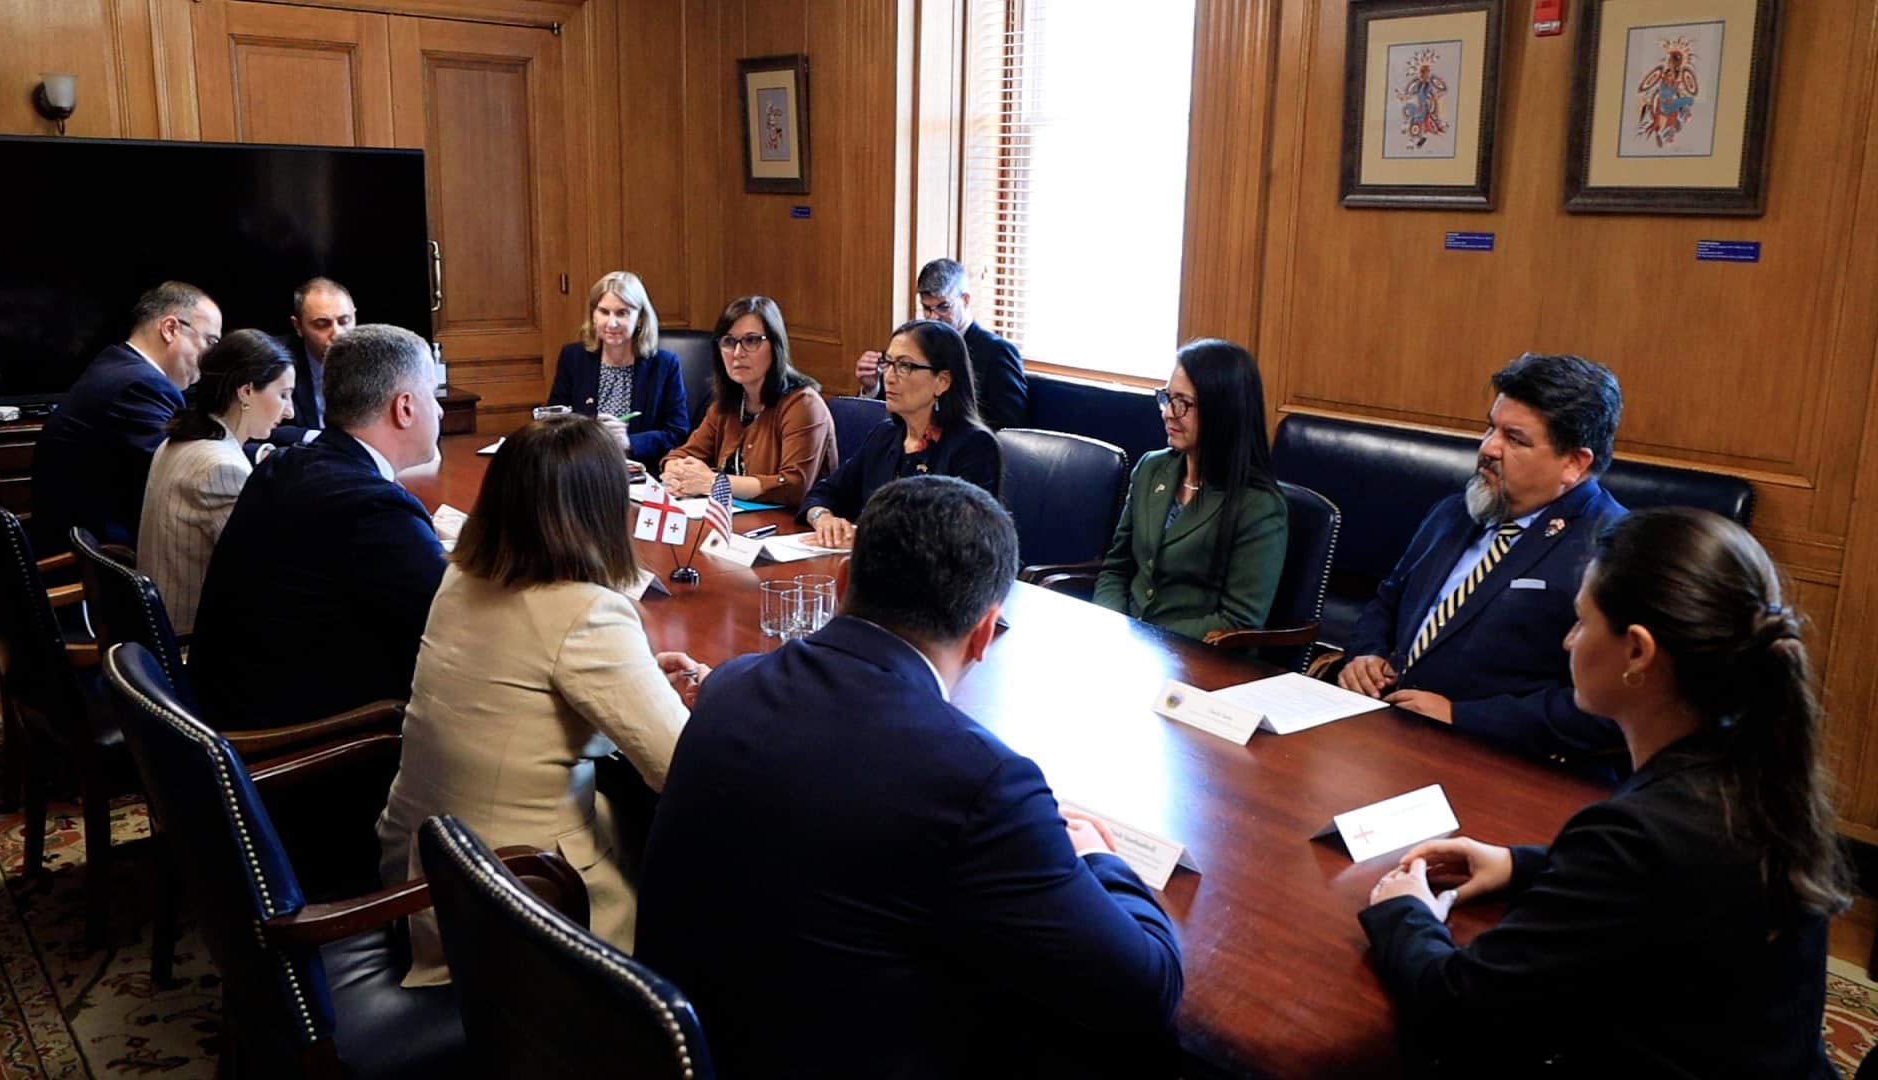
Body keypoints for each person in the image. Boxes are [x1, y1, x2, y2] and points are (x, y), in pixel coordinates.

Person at [636, 476, 1184, 1078]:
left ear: (842, 581)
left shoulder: (729, 686)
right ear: (984, 633)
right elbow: (1147, 991)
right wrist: (1102, 859)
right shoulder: (982, 784)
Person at [1360, 508, 1848, 1078]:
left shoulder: (1634, 832)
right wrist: (1521, 866)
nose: (1568, 640)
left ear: (1638, 652)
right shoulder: (1759, 774)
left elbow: (1457, 1008)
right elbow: (1667, 884)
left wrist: (1404, 911)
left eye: (1580, 621)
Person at [374, 415, 707, 985]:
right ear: (601, 511)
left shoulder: (461, 577)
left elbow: (521, 690)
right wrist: (722, 704)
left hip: (421, 869)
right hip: (517, 900)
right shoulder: (585, 612)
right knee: (706, 882)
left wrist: (636, 680)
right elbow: (684, 770)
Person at [1335, 353, 1628, 769]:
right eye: (1491, 427)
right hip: (1386, 731)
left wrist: (1461, 717)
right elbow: (1388, 598)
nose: (1488, 447)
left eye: (1515, 439)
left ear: (1574, 463)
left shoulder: (1615, 548)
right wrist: (1366, 653)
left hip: (1501, 761)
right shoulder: (1455, 511)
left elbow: (1608, 708)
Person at [189, 324, 446, 729]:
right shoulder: (371, 507)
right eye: (433, 395)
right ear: (405, 408)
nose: (441, 411)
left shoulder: (288, 463)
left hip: (225, 707)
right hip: (295, 739)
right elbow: (451, 619)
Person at [1093, 339, 1288, 641]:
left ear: (1222, 411)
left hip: (1196, 657)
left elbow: (1239, 620)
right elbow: (1116, 570)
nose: (1168, 413)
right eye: (1167, 397)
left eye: (1183, 403)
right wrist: (1110, 627)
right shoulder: (1151, 468)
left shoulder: (1259, 504)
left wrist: (1146, 637)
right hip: (1126, 642)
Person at [32, 281, 221, 553]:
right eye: (210, 342)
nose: (211, 358)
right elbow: (181, 475)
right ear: (170, 329)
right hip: (98, 557)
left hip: (83, 537)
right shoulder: (140, 385)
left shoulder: (118, 364)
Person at [136, 331, 295, 635]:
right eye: (283, 395)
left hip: (162, 624)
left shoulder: (178, 442)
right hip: (195, 639)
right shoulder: (222, 467)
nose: (290, 411)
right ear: (246, 391)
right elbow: (260, 572)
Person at [800, 319, 1001, 547]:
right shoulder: (885, 435)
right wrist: (823, 518)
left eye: (905, 366)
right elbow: (823, 493)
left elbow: (956, 536)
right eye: (887, 363)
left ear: (942, 382)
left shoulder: (974, 446)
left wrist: (869, 540)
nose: (889, 377)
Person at [660, 295, 836, 507]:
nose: (737, 353)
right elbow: (683, 454)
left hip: (789, 522)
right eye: (728, 342)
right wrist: (676, 470)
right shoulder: (727, 404)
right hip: (735, 518)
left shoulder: (803, 404)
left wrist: (714, 483)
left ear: (775, 345)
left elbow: (794, 486)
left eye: (751, 341)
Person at [855, 257, 1029, 431]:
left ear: (965, 300)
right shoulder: (916, 346)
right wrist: (873, 387)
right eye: (927, 308)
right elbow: (893, 416)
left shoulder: (997, 352)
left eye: (943, 307)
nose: (933, 317)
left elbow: (1009, 431)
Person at [547, 271, 689, 463]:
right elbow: (554, 421)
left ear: (640, 318)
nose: (611, 323)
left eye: (622, 313)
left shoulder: (665, 364)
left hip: (638, 468)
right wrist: (587, 433)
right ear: (593, 315)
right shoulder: (573, 357)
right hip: (582, 466)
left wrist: (629, 442)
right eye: (604, 312)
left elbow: (678, 433)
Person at [266, 276, 356, 445]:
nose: (337, 334)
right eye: (322, 324)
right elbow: (258, 427)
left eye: (344, 321)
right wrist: (319, 439)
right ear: (298, 326)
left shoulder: (372, 358)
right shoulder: (273, 360)